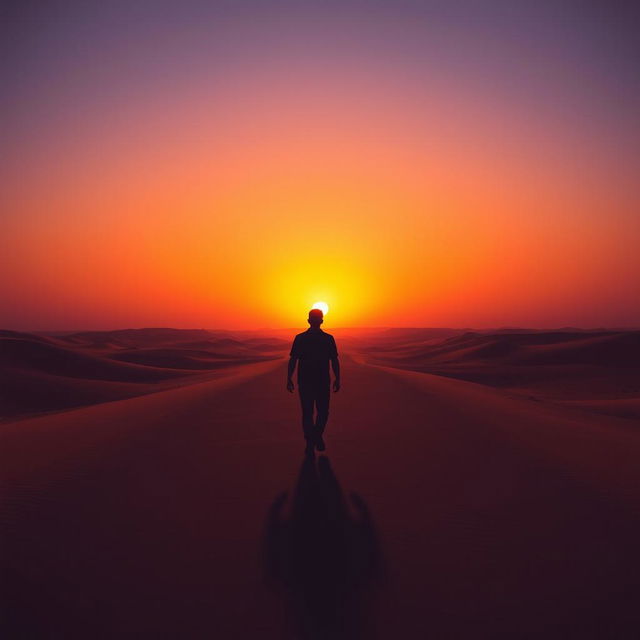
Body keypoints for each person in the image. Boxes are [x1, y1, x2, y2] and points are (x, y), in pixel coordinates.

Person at [287, 308, 340, 455]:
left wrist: (289, 378)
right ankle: (315, 437)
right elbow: (334, 360)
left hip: (309, 381)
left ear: (309, 320)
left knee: (309, 412)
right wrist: (338, 378)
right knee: (320, 412)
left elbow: (293, 360)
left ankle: (313, 438)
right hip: (318, 382)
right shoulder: (327, 339)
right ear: (321, 321)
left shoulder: (301, 338)